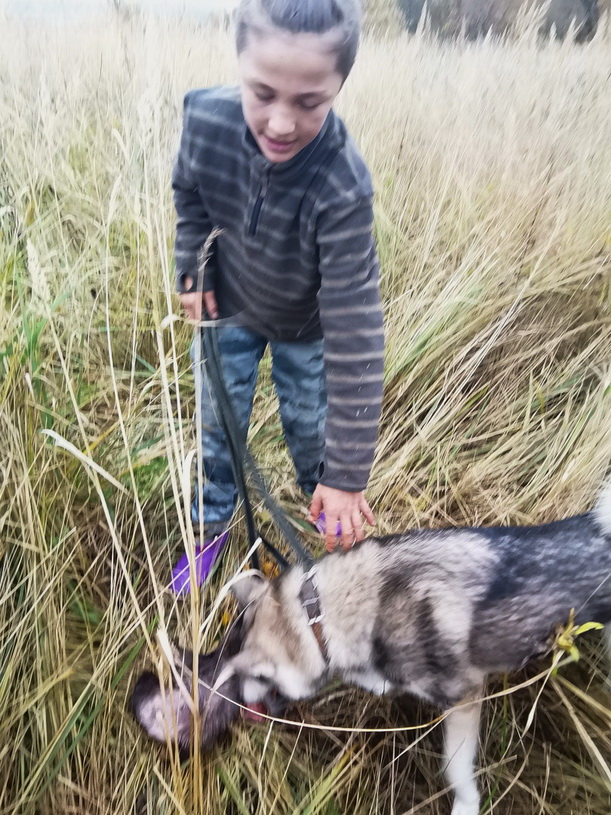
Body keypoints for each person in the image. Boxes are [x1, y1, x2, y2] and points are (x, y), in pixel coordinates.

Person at [171, 0, 385, 594]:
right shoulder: (205, 120)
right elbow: (189, 195)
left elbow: (357, 331)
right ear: (239, 62)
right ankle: (209, 530)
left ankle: (335, 536)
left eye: (310, 102)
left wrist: (347, 475)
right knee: (217, 429)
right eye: (262, 93)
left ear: (339, 85)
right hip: (227, 310)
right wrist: (193, 269)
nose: (282, 123)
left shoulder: (342, 185)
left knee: (312, 436)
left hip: (304, 330)